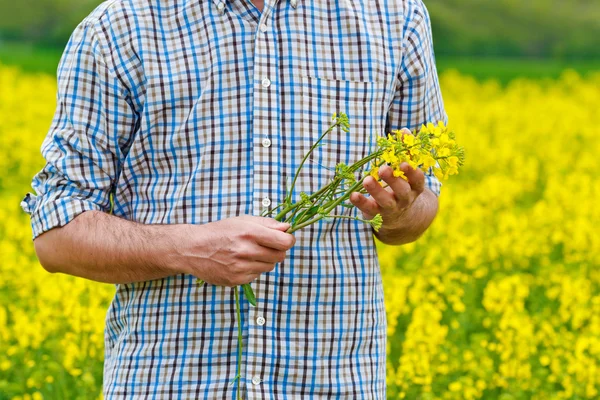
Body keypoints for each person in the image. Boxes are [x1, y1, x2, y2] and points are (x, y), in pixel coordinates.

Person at [21, 0, 446, 398]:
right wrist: (187, 249)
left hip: (333, 381)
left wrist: (400, 211)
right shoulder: (119, 28)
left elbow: (423, 206)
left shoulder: (395, 17)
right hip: (170, 382)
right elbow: (57, 234)